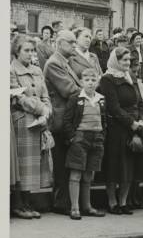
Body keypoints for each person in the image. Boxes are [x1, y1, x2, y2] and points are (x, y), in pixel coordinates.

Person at [99, 47, 143, 215]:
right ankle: (112, 202)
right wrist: (131, 123)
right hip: (117, 128)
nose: (128, 63)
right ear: (115, 61)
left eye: (129, 60)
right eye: (124, 60)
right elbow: (113, 107)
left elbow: (139, 101)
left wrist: (141, 119)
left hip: (134, 125)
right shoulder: (107, 79)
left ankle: (124, 201)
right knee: (114, 166)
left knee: (130, 166)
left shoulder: (130, 76)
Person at [10, 36, 53, 219]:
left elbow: (45, 95)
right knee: (22, 165)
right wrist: (41, 109)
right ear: (17, 52)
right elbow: (18, 98)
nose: (30, 54)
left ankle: (27, 202)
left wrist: (46, 113)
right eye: (26, 50)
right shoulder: (11, 70)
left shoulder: (37, 70)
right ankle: (18, 204)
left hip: (38, 121)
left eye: (32, 51)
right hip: (22, 121)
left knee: (34, 165)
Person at [43, 30, 82, 215]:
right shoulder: (53, 63)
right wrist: (89, 89)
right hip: (59, 120)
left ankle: (64, 201)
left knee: (66, 162)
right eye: (71, 42)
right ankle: (60, 202)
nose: (75, 45)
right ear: (59, 44)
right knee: (60, 163)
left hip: (66, 118)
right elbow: (70, 90)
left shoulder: (64, 62)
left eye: (75, 42)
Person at [62, 68, 107, 219]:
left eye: (93, 80)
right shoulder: (76, 98)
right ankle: (75, 208)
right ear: (81, 82)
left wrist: (102, 135)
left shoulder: (101, 99)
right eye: (87, 80)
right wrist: (72, 138)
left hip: (97, 138)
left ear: (97, 82)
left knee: (89, 175)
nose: (90, 83)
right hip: (80, 138)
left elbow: (105, 119)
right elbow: (67, 120)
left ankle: (87, 206)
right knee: (76, 173)